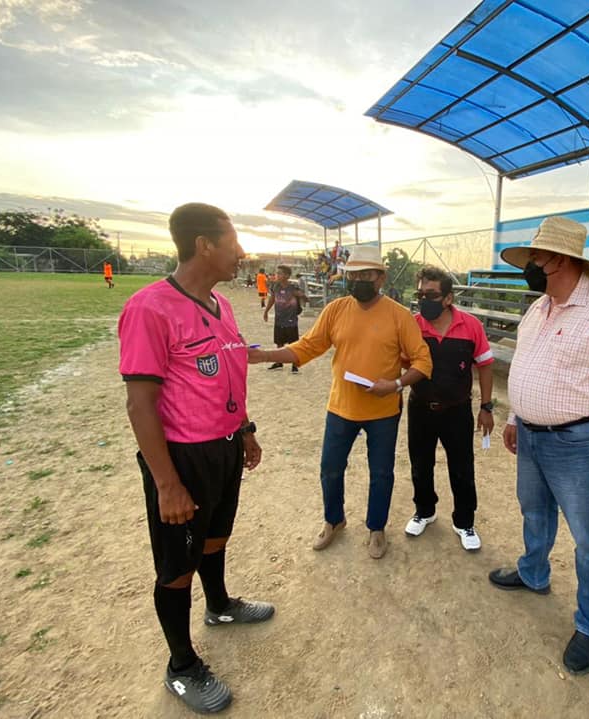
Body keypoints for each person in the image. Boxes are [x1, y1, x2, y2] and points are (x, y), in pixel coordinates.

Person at [119, 203, 274, 714]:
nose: (241, 252)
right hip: (182, 458)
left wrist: (244, 430)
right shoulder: (150, 308)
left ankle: (220, 605)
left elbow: (229, 371)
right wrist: (167, 483)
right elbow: (140, 405)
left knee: (215, 537)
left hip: (224, 447)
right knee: (177, 564)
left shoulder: (220, 303)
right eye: (234, 242)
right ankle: (181, 666)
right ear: (204, 245)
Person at [488, 216, 589, 675]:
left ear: (559, 260)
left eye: (535, 258)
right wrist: (516, 417)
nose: (530, 266)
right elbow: (527, 365)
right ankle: (533, 571)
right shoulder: (539, 308)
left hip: (581, 443)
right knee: (534, 512)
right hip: (532, 437)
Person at [248, 245, 432, 559]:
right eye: (353, 275)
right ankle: (334, 520)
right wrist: (265, 355)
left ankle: (376, 527)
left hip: (383, 411)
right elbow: (307, 347)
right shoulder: (336, 310)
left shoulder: (399, 316)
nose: (358, 280)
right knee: (330, 468)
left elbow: (423, 362)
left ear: (380, 278)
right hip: (341, 407)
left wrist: (395, 384)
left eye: (366, 275)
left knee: (381, 473)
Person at [404, 265, 495, 551]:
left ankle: (464, 521)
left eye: (431, 294)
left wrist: (486, 407)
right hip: (420, 407)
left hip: (457, 410)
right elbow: (402, 362)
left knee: (462, 467)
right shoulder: (413, 325)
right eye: (421, 294)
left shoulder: (471, 326)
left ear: (448, 298)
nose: (424, 300)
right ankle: (424, 511)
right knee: (420, 463)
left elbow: (485, 366)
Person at [263, 264, 306, 373]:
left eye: (279, 273)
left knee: (293, 344)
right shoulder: (275, 286)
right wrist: (266, 311)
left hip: (291, 321)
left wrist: (301, 297)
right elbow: (272, 299)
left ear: (287, 276)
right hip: (279, 319)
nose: (277, 275)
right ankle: (279, 362)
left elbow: (303, 296)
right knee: (279, 342)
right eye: (277, 273)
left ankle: (294, 364)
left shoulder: (293, 287)